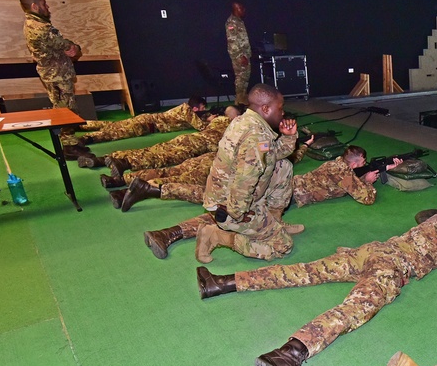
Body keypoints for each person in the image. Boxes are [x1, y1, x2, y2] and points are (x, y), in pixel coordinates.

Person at [194, 187, 437, 366]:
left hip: (373, 251)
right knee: (353, 310)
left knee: (306, 271)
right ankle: (289, 353)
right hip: (392, 268)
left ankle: (222, 282)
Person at [142, 83, 302, 262]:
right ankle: (217, 236)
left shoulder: (247, 121)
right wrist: (239, 216)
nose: (282, 113)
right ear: (265, 108)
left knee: (283, 166)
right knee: (283, 246)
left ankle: (273, 224)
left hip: (231, 195)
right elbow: (244, 181)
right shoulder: (257, 136)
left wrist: (288, 136)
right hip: (230, 206)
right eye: (280, 108)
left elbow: (272, 155)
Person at [116, 143, 396, 212]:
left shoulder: (337, 164)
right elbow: (366, 199)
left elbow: (343, 180)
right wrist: (369, 182)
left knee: (219, 191)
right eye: (362, 164)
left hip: (278, 185)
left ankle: (147, 186)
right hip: (282, 195)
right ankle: (152, 189)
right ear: (356, 163)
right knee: (219, 200)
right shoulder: (345, 173)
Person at [77, 105, 240, 174]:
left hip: (187, 139)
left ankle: (103, 158)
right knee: (159, 158)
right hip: (194, 146)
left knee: (151, 150)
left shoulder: (219, 122)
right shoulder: (231, 125)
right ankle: (123, 162)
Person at [61, 96, 208, 155]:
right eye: (202, 108)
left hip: (146, 120)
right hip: (146, 125)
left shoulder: (185, 110)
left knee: (115, 125)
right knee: (115, 132)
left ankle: (81, 125)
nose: (203, 111)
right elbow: (201, 127)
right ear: (195, 108)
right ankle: (84, 139)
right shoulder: (187, 111)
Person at [19, 0, 82, 112]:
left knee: (63, 108)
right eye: (44, 4)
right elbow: (65, 45)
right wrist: (75, 47)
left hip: (54, 74)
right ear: (35, 6)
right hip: (57, 76)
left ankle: (67, 130)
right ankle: (67, 132)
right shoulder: (40, 28)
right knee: (67, 112)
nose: (47, 6)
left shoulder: (31, 23)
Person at [226, 1, 251, 106]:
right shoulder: (232, 22)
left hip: (245, 55)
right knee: (240, 79)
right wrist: (241, 56)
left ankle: (243, 100)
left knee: (245, 78)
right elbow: (232, 42)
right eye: (241, 8)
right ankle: (239, 102)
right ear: (236, 8)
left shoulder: (239, 21)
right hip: (239, 56)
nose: (243, 10)